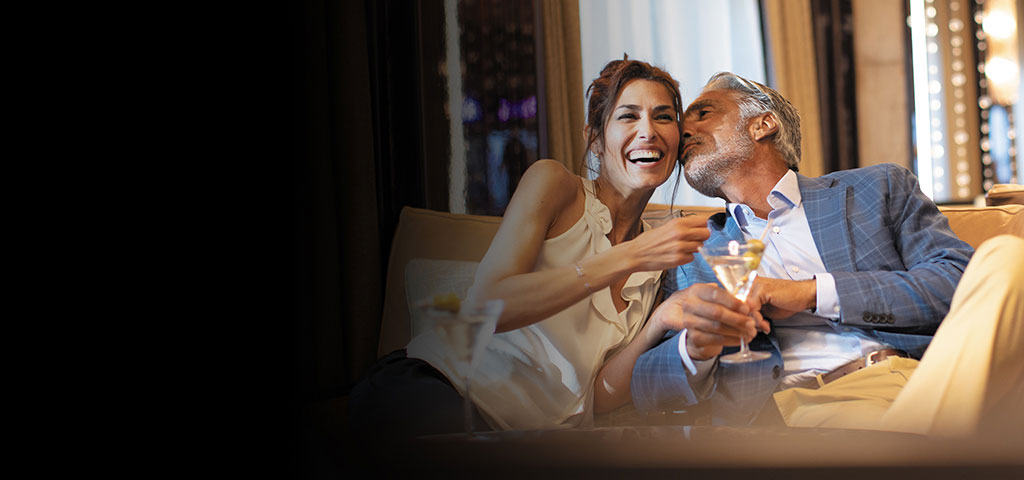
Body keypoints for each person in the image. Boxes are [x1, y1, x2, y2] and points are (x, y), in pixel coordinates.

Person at [630, 71, 1024, 437]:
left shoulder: (878, 189)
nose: (684, 130)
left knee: (1010, 258)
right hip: (810, 411)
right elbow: (644, 387)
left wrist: (809, 292)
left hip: (931, 378)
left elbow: (956, 283)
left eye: (703, 112)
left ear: (762, 124)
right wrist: (694, 348)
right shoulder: (690, 249)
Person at [349, 57, 711, 438]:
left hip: (523, 436)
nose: (648, 132)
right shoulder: (555, 185)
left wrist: (659, 321)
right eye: (628, 116)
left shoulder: (662, 259)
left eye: (663, 117)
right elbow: (486, 305)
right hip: (432, 387)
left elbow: (598, 397)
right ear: (596, 139)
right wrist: (630, 255)